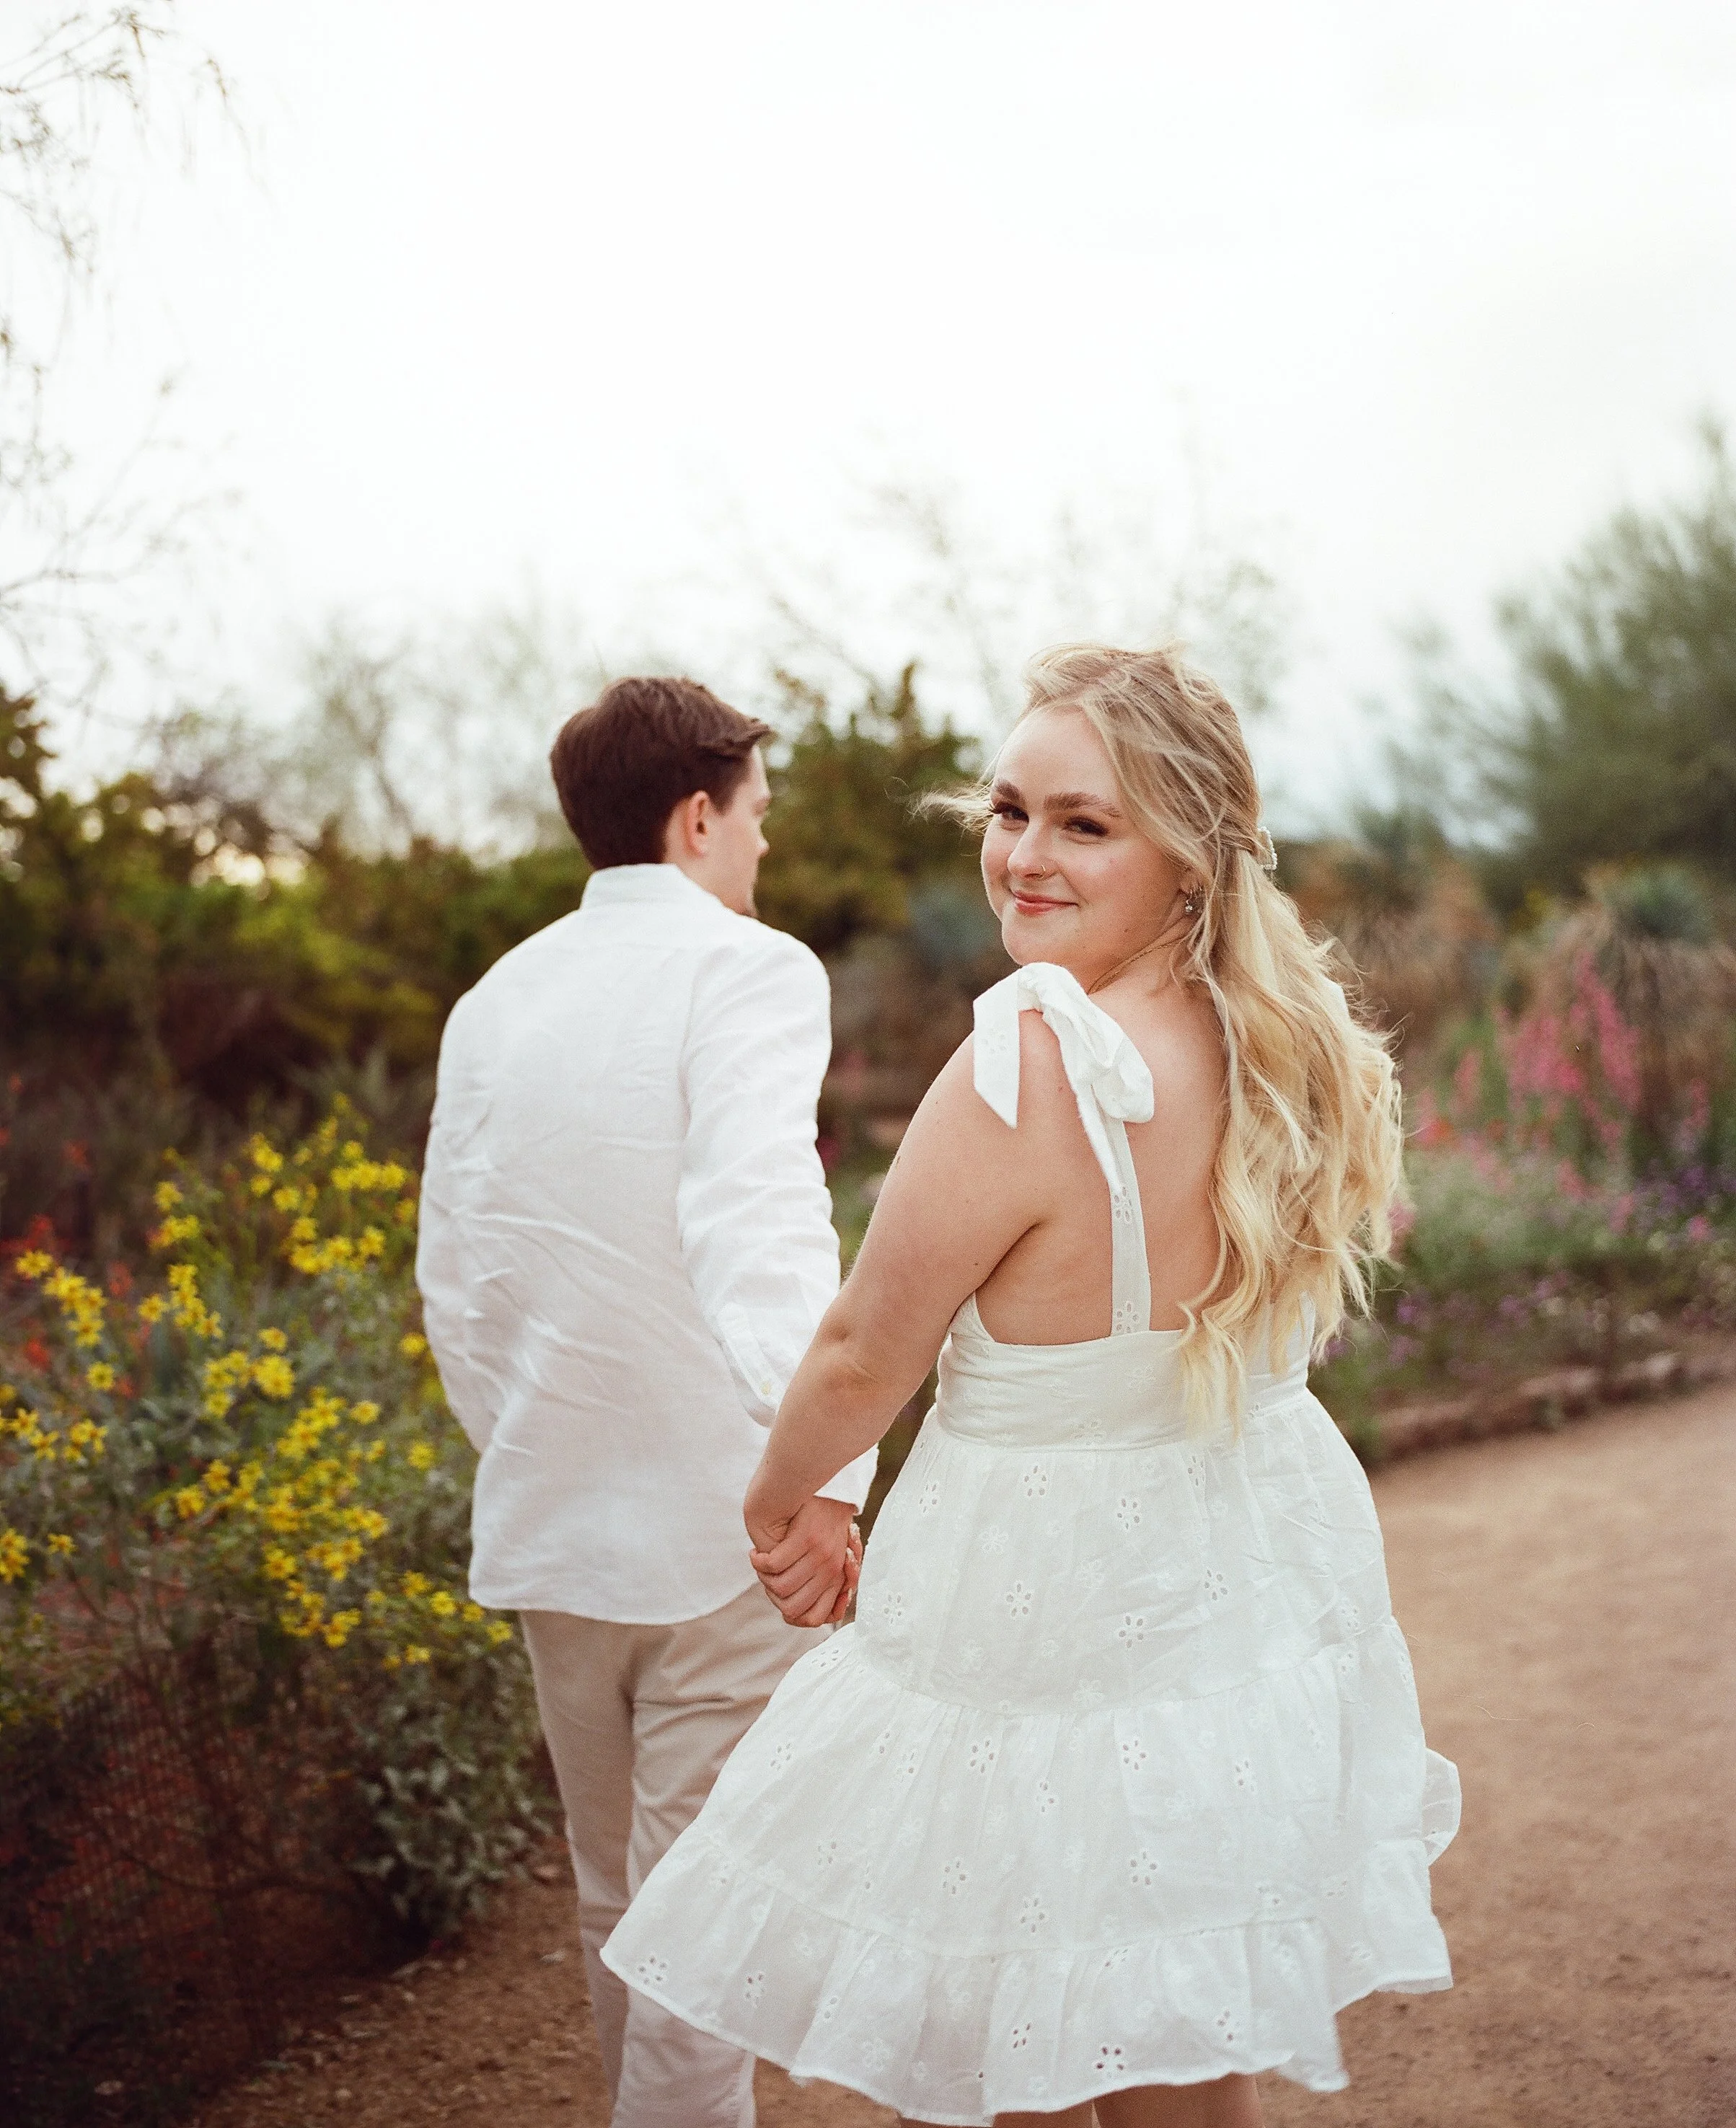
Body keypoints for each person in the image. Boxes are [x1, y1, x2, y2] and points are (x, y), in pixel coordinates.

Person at [602, 644, 1460, 2128]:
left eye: (1083, 822)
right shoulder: (1270, 1044)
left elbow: (870, 1341)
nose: (1023, 854)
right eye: (1009, 808)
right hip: (1228, 1559)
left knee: (1035, 2011)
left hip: (1043, 1596)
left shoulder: (1030, 1066)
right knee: (1175, 2007)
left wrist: (779, 1496)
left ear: (1188, 858)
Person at [415, 674, 878, 2128]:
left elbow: (459, 1275)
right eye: (754, 816)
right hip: (721, 1529)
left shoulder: (495, 1000)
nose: (759, 849)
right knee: (697, 1913)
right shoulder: (748, 969)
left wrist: (531, 1437)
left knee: (622, 1898)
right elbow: (762, 1225)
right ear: (697, 813)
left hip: (555, 1517)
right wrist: (821, 1469)